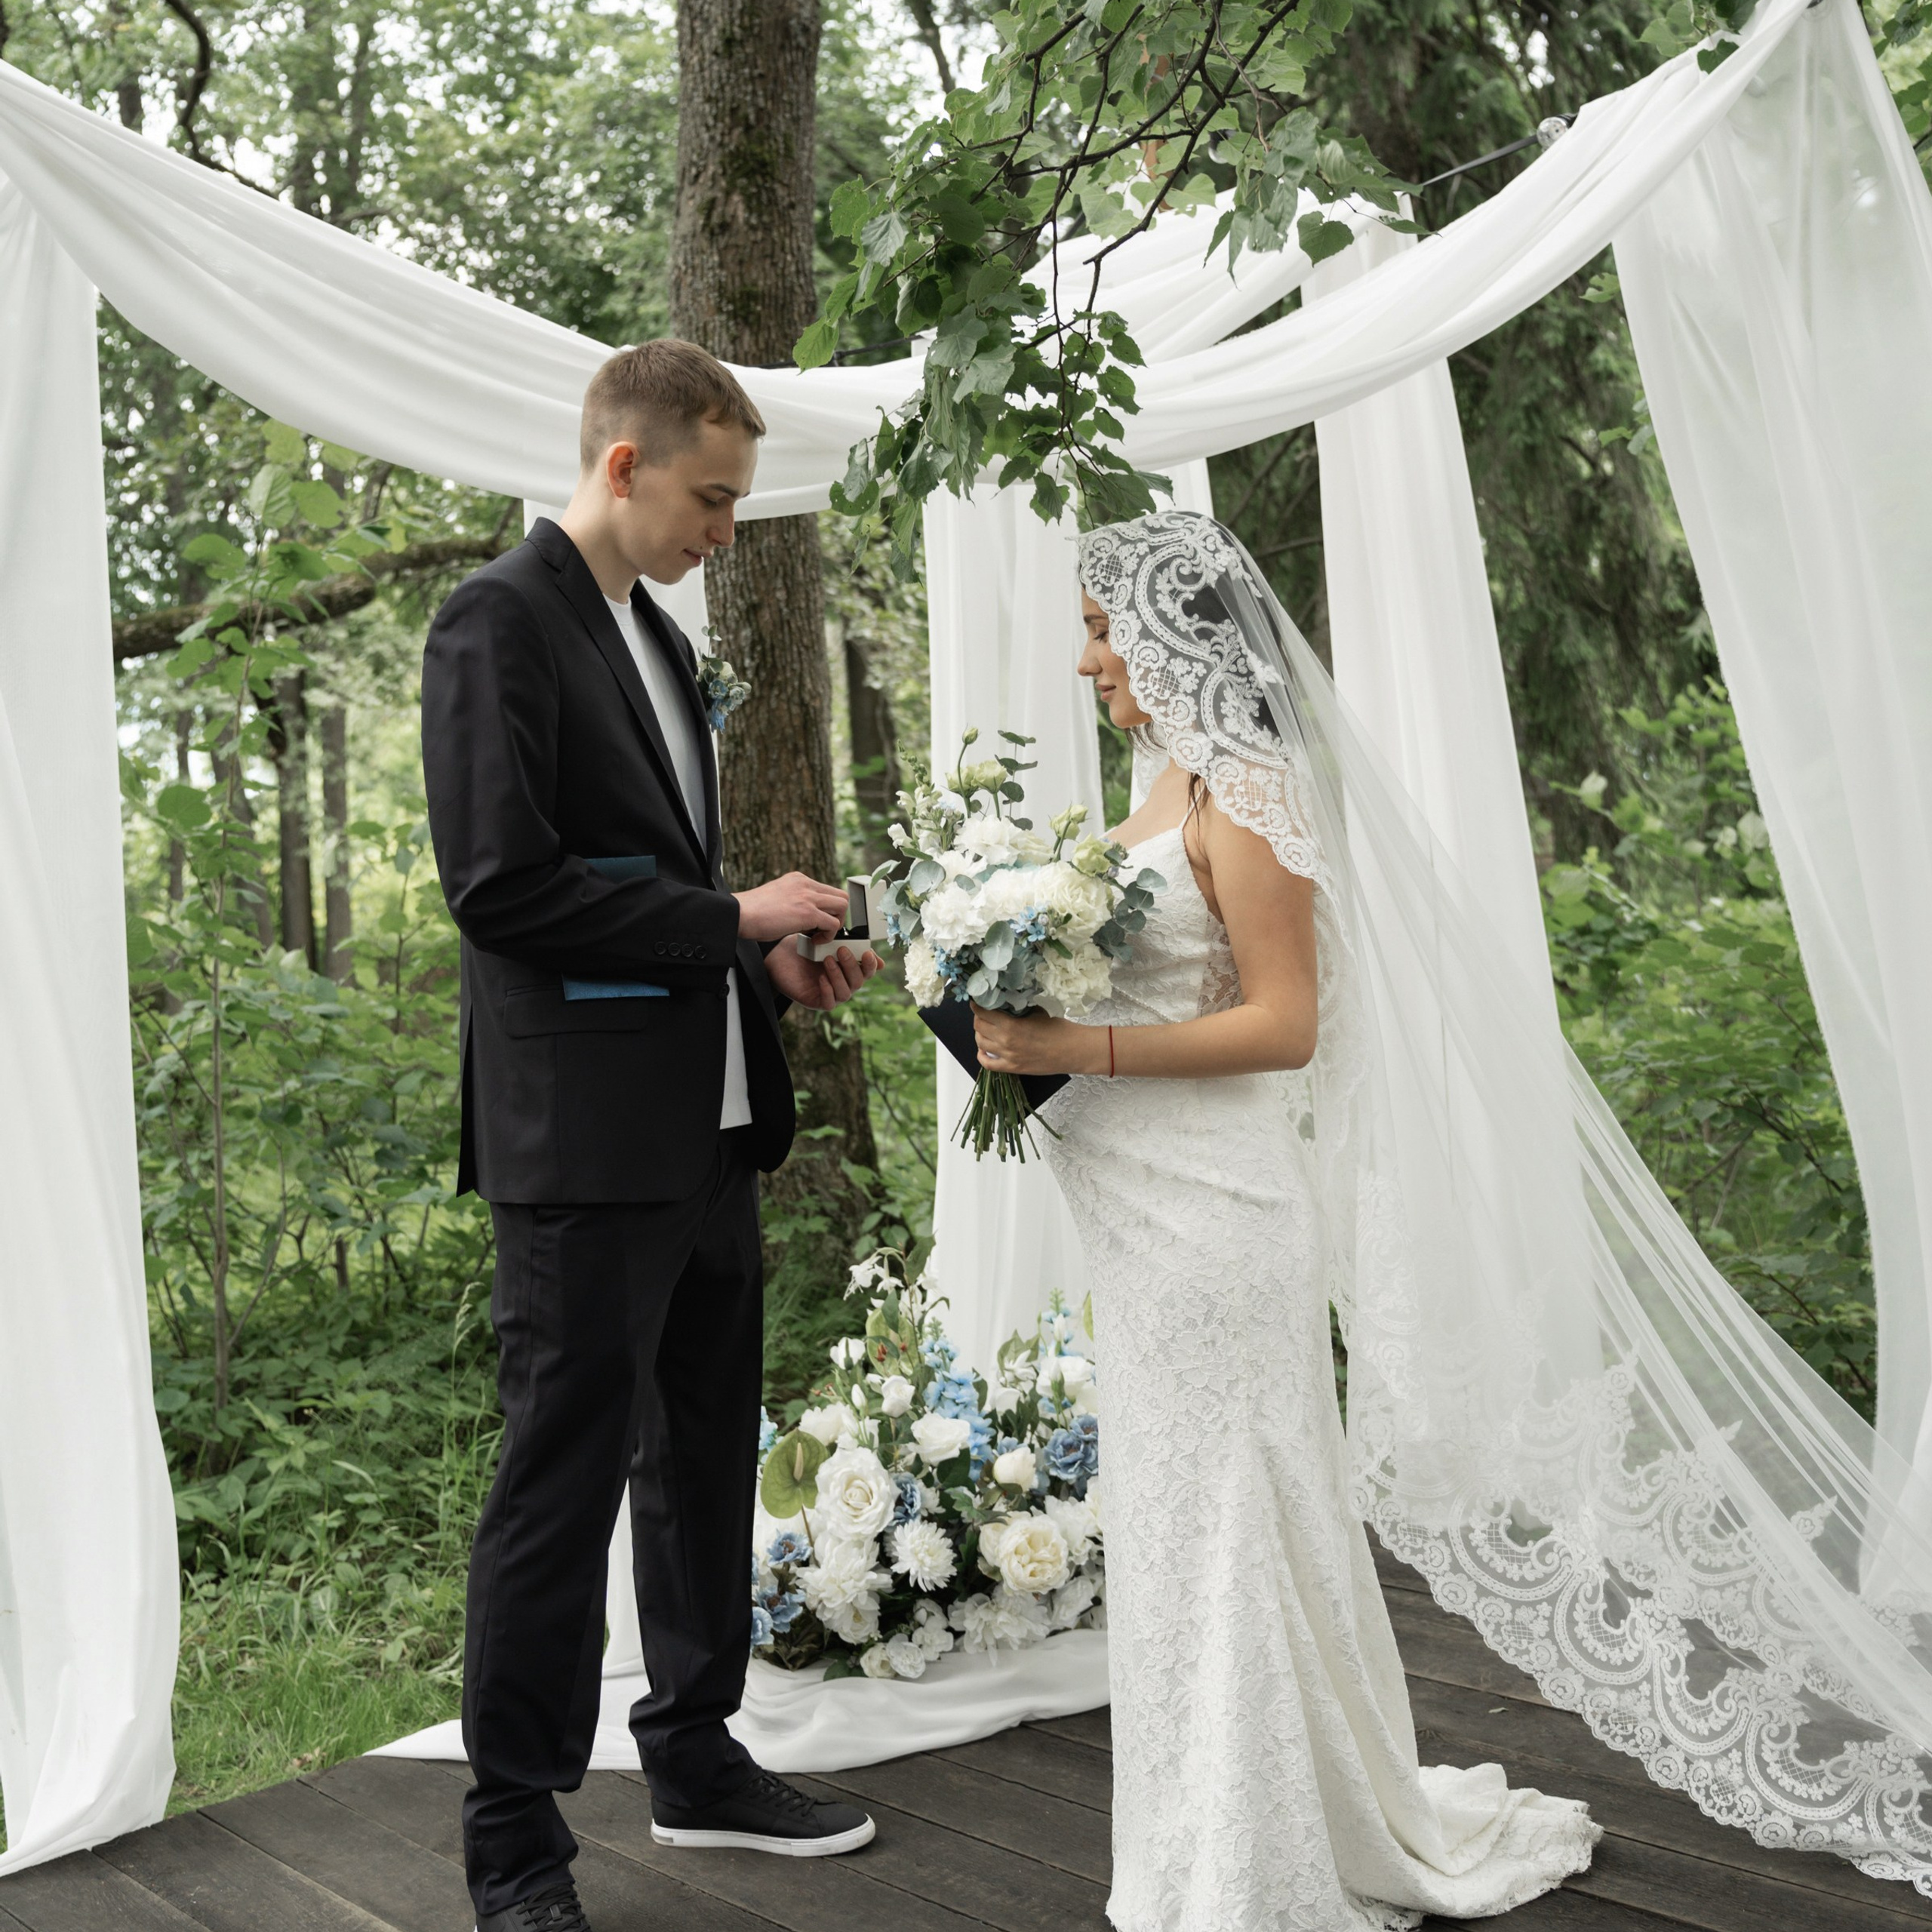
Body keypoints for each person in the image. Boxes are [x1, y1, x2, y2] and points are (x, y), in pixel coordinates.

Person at [968, 511, 1600, 1930]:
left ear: (1174, 633)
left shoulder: (1250, 792)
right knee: (1187, 1517)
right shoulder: (1165, 783)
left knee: (1230, 1515)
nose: (1085, 663)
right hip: (1142, 1216)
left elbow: (1285, 1023)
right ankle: (1223, 1825)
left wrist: (1085, 1054)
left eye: (1098, 629)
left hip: (1219, 1219)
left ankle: (1253, 1864)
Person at [421, 340, 881, 1932]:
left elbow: (654, 893)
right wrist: (724, 909)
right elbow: (498, 888)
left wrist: (759, 949)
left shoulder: (665, 644)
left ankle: (693, 1752)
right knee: (558, 1487)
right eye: (712, 496)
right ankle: (513, 1848)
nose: (727, 531)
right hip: (581, 1146)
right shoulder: (499, 621)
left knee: (699, 1462)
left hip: (709, 1128)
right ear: (622, 465)